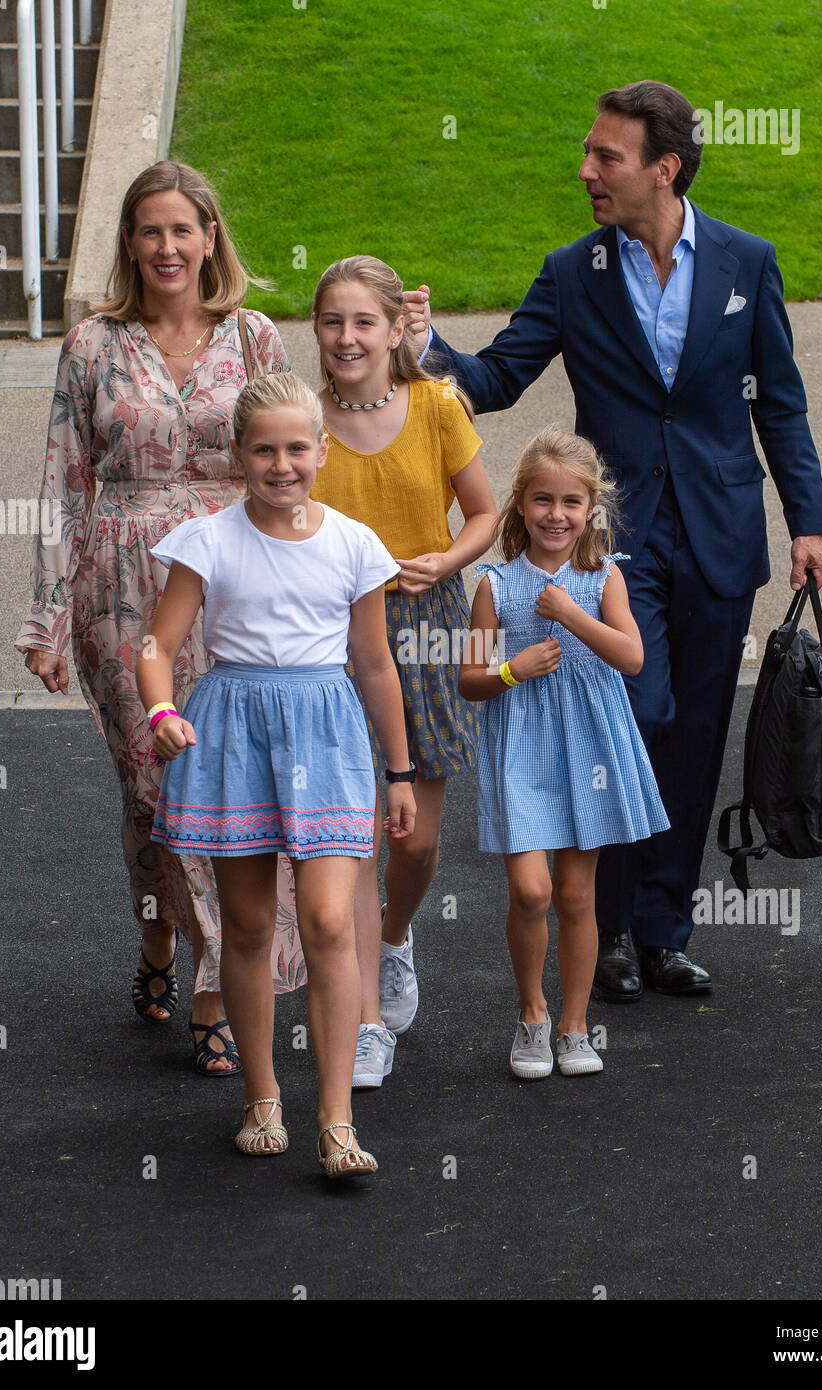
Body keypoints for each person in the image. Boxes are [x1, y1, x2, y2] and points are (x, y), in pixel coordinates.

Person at [407, 80, 822, 1002]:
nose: (587, 171)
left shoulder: (747, 263)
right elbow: (495, 379)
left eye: (607, 157)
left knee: (694, 736)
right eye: (590, 154)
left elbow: (783, 404)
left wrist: (809, 519)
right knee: (635, 716)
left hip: (720, 531)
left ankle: (663, 933)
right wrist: (425, 345)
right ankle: (597, 923)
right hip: (613, 543)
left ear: (663, 169)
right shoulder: (572, 274)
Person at [15, 160, 302, 1076]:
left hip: (234, 585)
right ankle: (158, 943)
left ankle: (216, 987)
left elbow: (296, 455)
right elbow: (64, 480)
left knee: (234, 795)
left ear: (211, 236)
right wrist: (46, 618)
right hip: (121, 594)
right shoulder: (94, 344)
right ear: (130, 243)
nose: (169, 247)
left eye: (185, 229)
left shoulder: (254, 337)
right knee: (154, 795)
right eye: (151, 231)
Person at [138, 371, 416, 1174]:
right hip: (233, 735)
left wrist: (399, 771)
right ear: (239, 455)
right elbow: (158, 645)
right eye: (264, 449)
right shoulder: (208, 539)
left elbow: (374, 664)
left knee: (331, 921)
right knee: (251, 925)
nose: (282, 464)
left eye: (298, 447)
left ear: (323, 450)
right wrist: (162, 712)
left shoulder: (356, 544)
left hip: (327, 737)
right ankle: (263, 1096)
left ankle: (336, 1119)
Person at [309, 256, 499, 1087]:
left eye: (363, 323)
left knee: (413, 838)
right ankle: (365, 1023)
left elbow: (487, 513)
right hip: (332, 639)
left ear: (395, 330)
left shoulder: (436, 405)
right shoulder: (303, 420)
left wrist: (444, 558)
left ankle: (392, 937)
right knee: (351, 836)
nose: (347, 339)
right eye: (332, 323)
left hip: (424, 630)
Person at [460, 428, 668, 1077]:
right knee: (531, 890)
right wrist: (511, 671)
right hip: (521, 740)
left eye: (571, 502)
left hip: (591, 744)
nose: (557, 514)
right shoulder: (493, 585)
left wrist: (572, 615)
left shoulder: (603, 576)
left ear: (590, 509)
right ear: (521, 505)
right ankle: (531, 1016)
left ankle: (576, 1027)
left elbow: (633, 656)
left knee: (578, 896)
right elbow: (468, 680)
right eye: (543, 500)